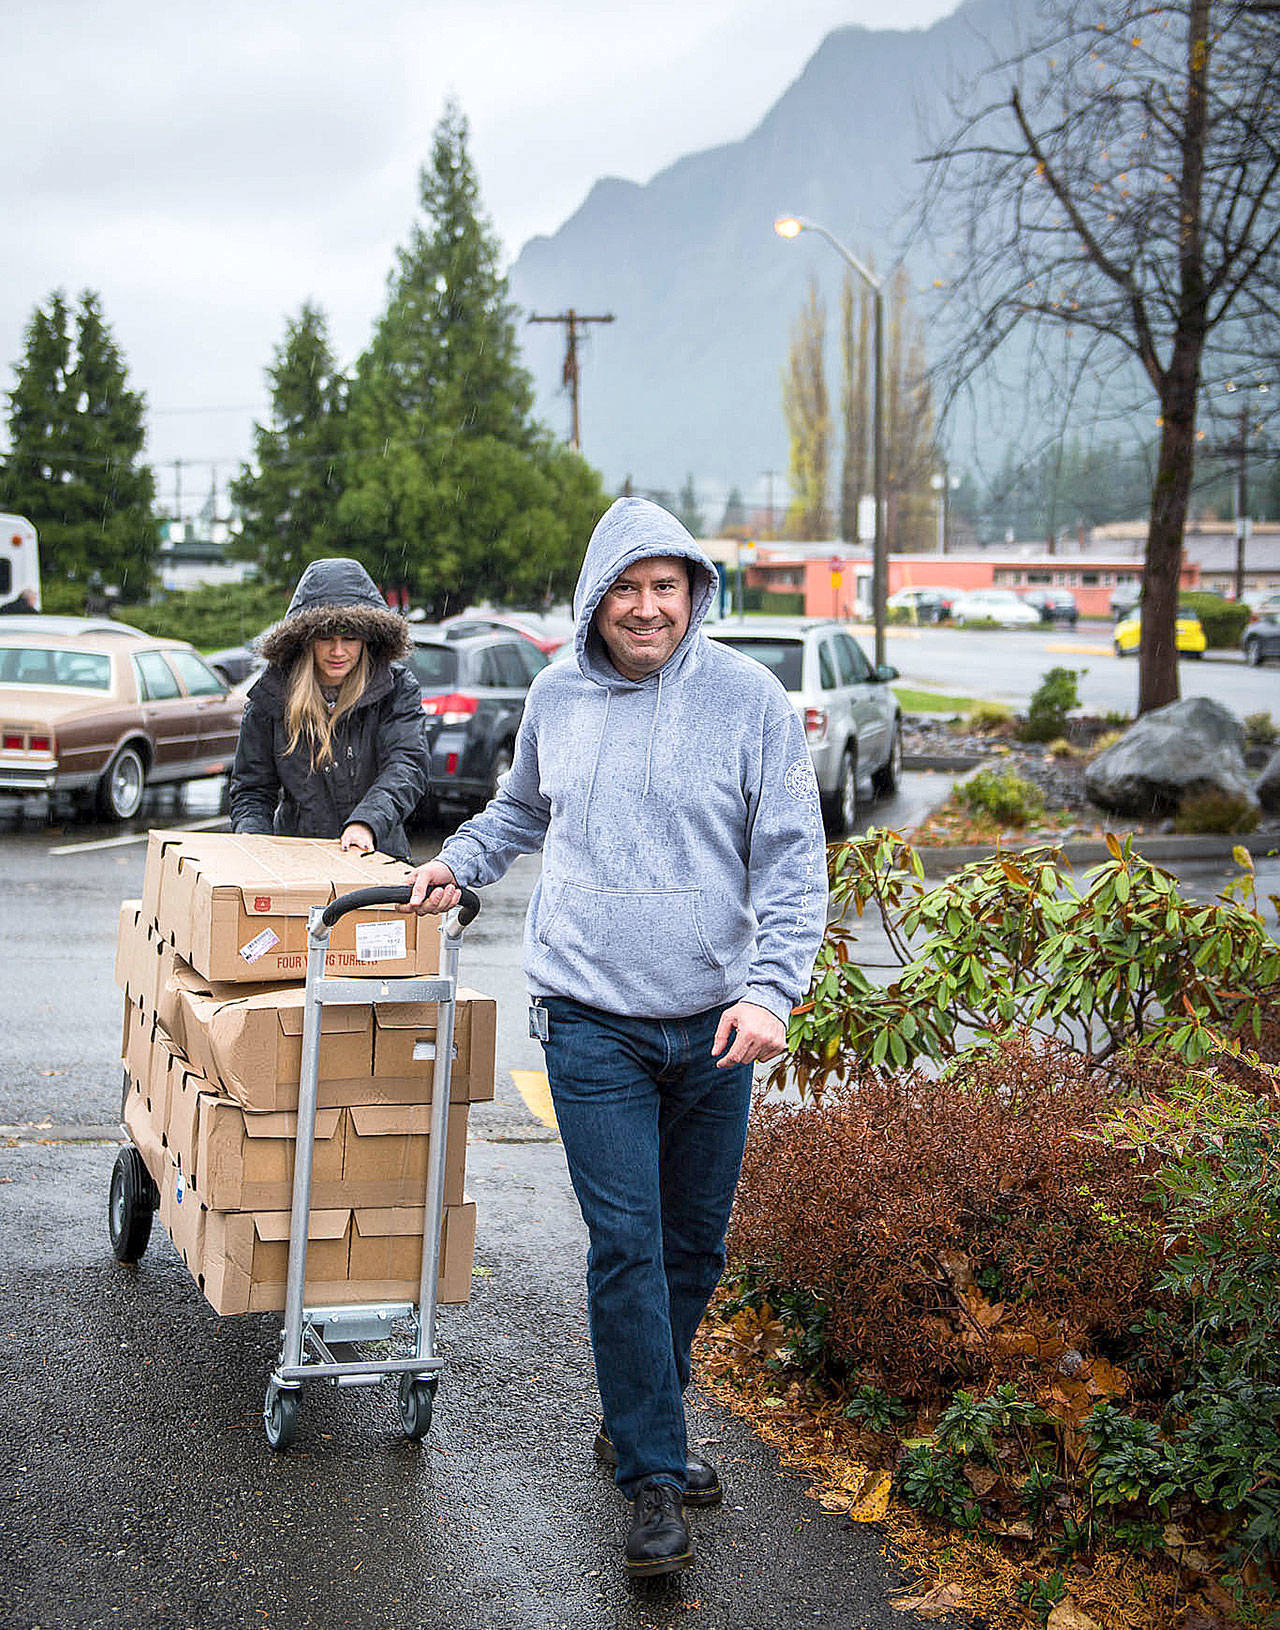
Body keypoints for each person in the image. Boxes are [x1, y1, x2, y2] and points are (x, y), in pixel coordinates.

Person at [403, 498, 827, 1580]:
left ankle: (641, 1416)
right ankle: (652, 1475)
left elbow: (791, 859)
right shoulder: (556, 694)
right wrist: (459, 863)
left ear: (693, 593)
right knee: (627, 1244)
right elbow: (519, 811)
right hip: (588, 1015)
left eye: (664, 587)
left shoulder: (751, 701)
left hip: (716, 1023)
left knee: (693, 1248)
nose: (646, 609)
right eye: (627, 588)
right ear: (597, 596)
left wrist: (771, 992)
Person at [229, 558, 429, 862]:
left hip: (377, 856)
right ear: (306, 640)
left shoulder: (396, 688)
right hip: (295, 861)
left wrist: (367, 822)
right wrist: (253, 839)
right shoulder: (272, 694)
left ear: (366, 639)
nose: (338, 651)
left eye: (349, 638)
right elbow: (252, 789)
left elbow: (406, 765)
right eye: (325, 638)